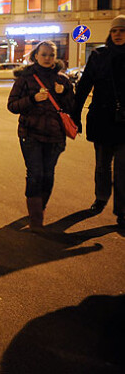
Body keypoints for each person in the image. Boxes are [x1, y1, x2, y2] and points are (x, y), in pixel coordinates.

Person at [7, 41, 74, 232]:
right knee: (35, 174)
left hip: (55, 136)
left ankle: (39, 208)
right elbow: (12, 105)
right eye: (44, 54)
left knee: (48, 174)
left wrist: (65, 93)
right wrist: (32, 99)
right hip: (31, 134)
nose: (47, 58)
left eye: (51, 55)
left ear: (55, 57)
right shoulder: (25, 79)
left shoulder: (62, 80)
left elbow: (72, 108)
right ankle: (36, 219)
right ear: (35, 56)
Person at [72, 15, 125, 228]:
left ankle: (122, 210)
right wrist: (75, 115)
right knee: (102, 166)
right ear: (110, 34)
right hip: (102, 120)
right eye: (115, 31)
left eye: (122, 31)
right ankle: (101, 197)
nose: (118, 34)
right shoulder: (98, 56)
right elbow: (84, 86)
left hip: (124, 123)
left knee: (123, 167)